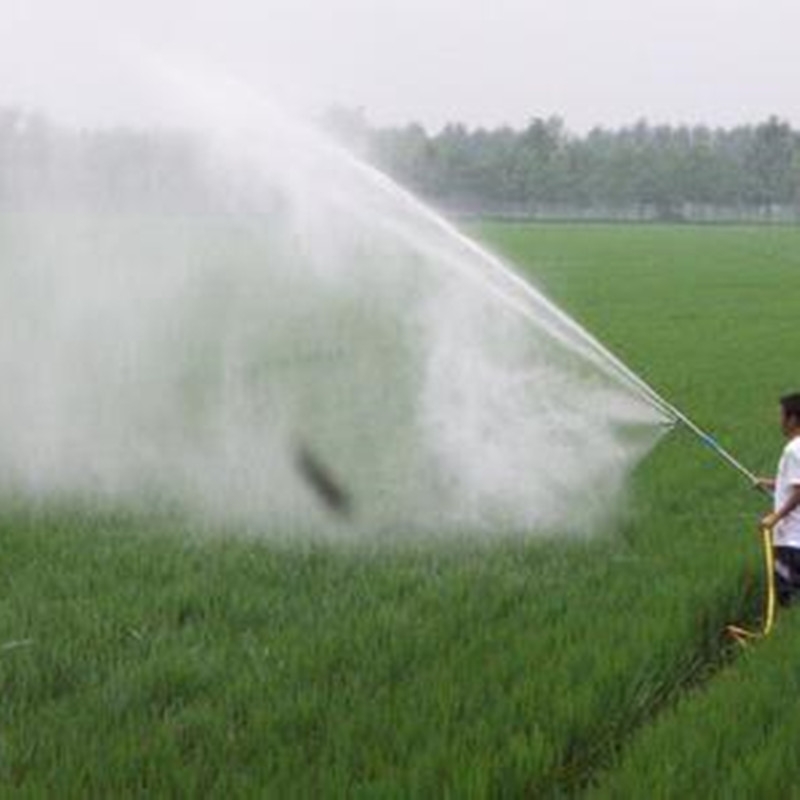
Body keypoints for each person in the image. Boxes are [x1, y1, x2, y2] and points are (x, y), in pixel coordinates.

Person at [755, 393, 800, 606]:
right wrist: (772, 483)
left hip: (791, 539)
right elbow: (792, 483)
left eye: (781, 415)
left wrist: (775, 517)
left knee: (786, 596)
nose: (779, 421)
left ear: (792, 420)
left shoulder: (793, 450)